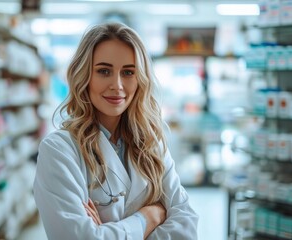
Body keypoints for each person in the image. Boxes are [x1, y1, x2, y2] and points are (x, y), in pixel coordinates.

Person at [33, 22, 198, 239]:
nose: (117, 85)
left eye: (128, 72)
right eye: (104, 71)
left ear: (140, 80)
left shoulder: (152, 144)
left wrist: (106, 231)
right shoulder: (59, 150)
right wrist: (150, 217)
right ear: (84, 76)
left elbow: (186, 227)